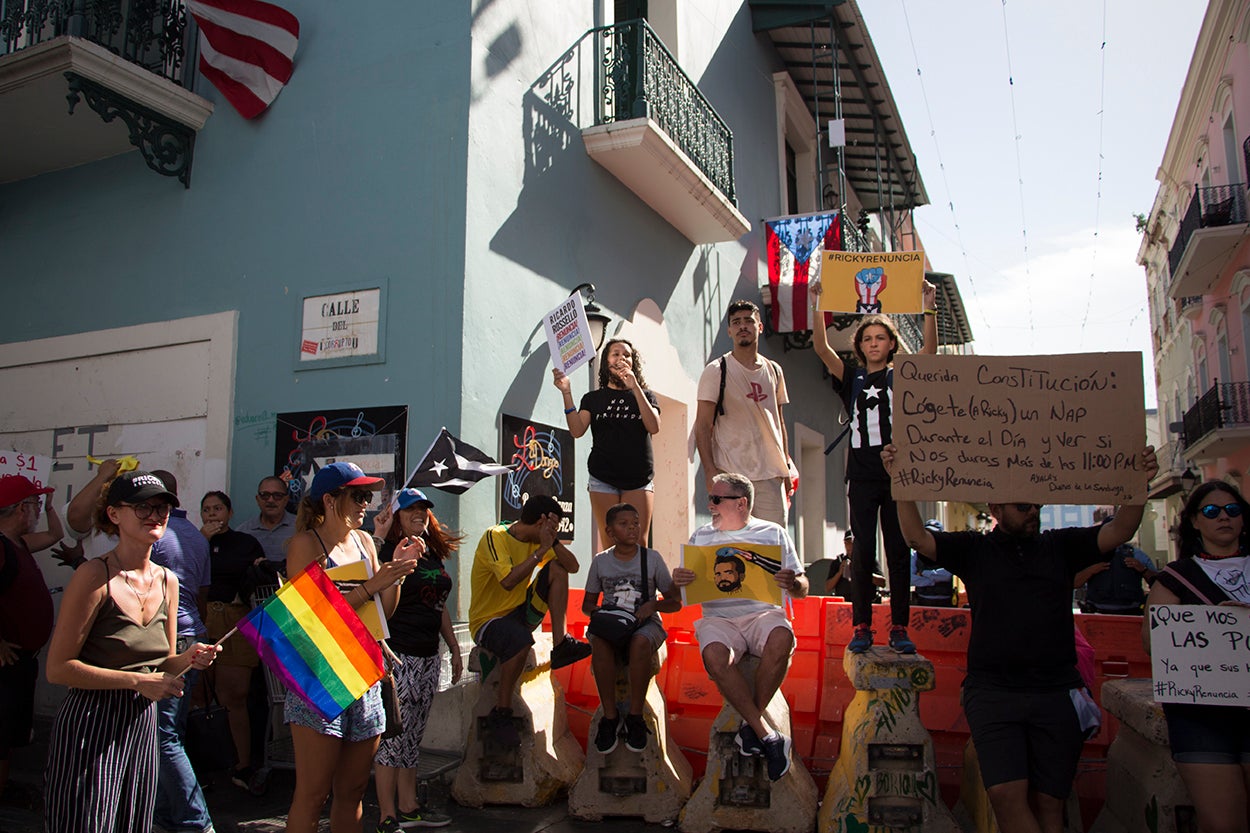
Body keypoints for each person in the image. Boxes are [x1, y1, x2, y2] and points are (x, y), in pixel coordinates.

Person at [883, 442, 1158, 833]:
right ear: (995, 510)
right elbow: (916, 538)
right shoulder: (974, 550)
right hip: (993, 695)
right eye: (1023, 507)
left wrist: (1139, 484)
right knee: (1008, 800)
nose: (1034, 513)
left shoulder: (1061, 546)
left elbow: (1121, 529)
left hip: (1056, 694)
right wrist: (902, 483)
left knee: (1050, 806)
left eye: (1037, 507)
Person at [43, 470, 219, 833]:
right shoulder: (94, 575)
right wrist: (137, 682)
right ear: (113, 515)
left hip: (141, 726)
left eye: (162, 507)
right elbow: (58, 669)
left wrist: (190, 658)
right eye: (142, 508)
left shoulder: (167, 580)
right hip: (91, 725)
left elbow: (164, 661)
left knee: (132, 822)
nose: (155, 515)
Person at [283, 462, 417, 833]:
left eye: (368, 496)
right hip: (319, 678)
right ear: (329, 500)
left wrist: (398, 575)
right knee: (312, 795)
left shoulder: (363, 542)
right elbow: (311, 619)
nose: (366, 504)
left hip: (364, 673)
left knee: (354, 791)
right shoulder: (304, 545)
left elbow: (383, 612)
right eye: (357, 496)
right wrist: (374, 586)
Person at [811, 281, 938, 654]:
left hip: (897, 475)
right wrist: (819, 303)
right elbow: (820, 347)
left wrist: (929, 306)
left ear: (892, 344)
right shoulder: (852, 377)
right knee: (863, 551)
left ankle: (899, 626)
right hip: (862, 475)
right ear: (860, 345)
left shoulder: (904, 373)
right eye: (867, 338)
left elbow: (929, 350)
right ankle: (862, 626)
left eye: (881, 338)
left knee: (898, 551)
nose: (873, 343)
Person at [672, 473, 808, 781]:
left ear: (741, 503)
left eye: (717, 500)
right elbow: (679, 594)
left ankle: (753, 729)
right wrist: (678, 581)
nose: (711, 505)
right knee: (715, 657)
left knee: (782, 635)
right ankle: (766, 734)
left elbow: (802, 586)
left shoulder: (772, 532)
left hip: (763, 615)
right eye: (711, 499)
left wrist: (794, 582)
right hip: (719, 620)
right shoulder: (701, 536)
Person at [1143, 480, 1250, 833]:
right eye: (1211, 511)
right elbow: (1152, 641)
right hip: (1202, 719)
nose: (1224, 517)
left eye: (1233, 511)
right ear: (1193, 521)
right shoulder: (1175, 578)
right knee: (1223, 824)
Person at [369, 488, 464, 832]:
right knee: (393, 736)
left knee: (412, 736)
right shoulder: (387, 553)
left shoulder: (431, 556)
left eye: (424, 509)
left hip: (428, 655)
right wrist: (385, 546)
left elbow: (437, 606)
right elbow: (373, 586)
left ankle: (409, 806)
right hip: (399, 655)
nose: (420, 514)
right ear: (396, 516)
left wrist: (452, 647)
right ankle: (386, 815)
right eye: (411, 509)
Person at [468, 494, 591, 747]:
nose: (554, 532)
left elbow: (573, 566)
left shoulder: (541, 541)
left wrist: (552, 541)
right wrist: (542, 550)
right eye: (553, 526)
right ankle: (502, 711)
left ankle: (561, 643)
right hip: (488, 621)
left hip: (519, 612)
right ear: (540, 522)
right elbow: (508, 581)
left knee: (557, 570)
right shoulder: (496, 536)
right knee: (520, 640)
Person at [147, 471, 216, 833]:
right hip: (191, 633)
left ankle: (194, 820)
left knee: (163, 735)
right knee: (170, 732)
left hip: (169, 638)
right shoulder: (196, 537)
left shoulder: (157, 536)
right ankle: (166, 815)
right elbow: (202, 594)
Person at [581, 503, 680, 754]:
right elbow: (587, 605)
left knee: (640, 643)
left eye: (635, 523)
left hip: (645, 624)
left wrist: (653, 605)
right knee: (599, 643)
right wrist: (606, 615)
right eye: (624, 524)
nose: (632, 528)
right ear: (610, 531)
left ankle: (636, 716)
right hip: (611, 625)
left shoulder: (652, 558)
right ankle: (610, 717)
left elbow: (674, 603)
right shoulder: (601, 561)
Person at [695, 300, 794, 527]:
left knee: (772, 548)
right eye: (736, 322)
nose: (742, 326)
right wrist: (710, 471)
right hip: (731, 474)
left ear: (759, 326)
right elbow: (702, 425)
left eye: (748, 321)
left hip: (771, 475)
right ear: (729, 331)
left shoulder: (774, 370)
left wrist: (786, 469)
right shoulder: (717, 370)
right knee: (733, 544)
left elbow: (779, 422)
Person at [553, 337, 662, 545]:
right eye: (616, 354)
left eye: (627, 355)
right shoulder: (593, 399)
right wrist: (566, 392)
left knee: (637, 542)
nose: (621, 358)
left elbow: (654, 427)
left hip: (638, 478)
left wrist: (635, 387)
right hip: (602, 478)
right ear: (607, 362)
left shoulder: (646, 395)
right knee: (610, 542)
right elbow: (577, 430)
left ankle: (639, 579)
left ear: (633, 363)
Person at [198, 489, 268, 794]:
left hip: (234, 621)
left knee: (234, 696)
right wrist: (202, 540)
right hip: (201, 619)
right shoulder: (196, 541)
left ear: (229, 512)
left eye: (218, 508)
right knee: (199, 699)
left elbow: (258, 574)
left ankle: (243, 765)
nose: (212, 514)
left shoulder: (244, 542)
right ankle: (201, 767)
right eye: (207, 509)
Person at [0, 475, 58, 801]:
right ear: (22, 509)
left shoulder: (19, 543)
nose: (37, 510)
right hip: (7, 664)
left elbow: (55, 534)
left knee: (8, 738)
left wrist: (49, 506)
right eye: (35, 504)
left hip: (23, 663)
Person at [1076, 513, 1155, 614]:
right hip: (1098, 614)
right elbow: (1075, 582)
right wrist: (1091, 570)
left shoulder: (1136, 554)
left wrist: (1143, 569)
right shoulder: (1090, 555)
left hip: (1131, 613)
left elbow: (1157, 583)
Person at [238, 476, 298, 565]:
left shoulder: (301, 527)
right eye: (265, 495)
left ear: (286, 500)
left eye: (277, 495)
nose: (270, 500)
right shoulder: (243, 532)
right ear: (257, 499)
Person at [911, 519, 956, 608]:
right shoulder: (915, 553)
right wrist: (932, 581)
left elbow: (947, 575)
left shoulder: (949, 553)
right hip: (922, 600)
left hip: (945, 601)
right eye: (928, 533)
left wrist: (923, 573)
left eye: (935, 533)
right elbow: (911, 578)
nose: (931, 536)